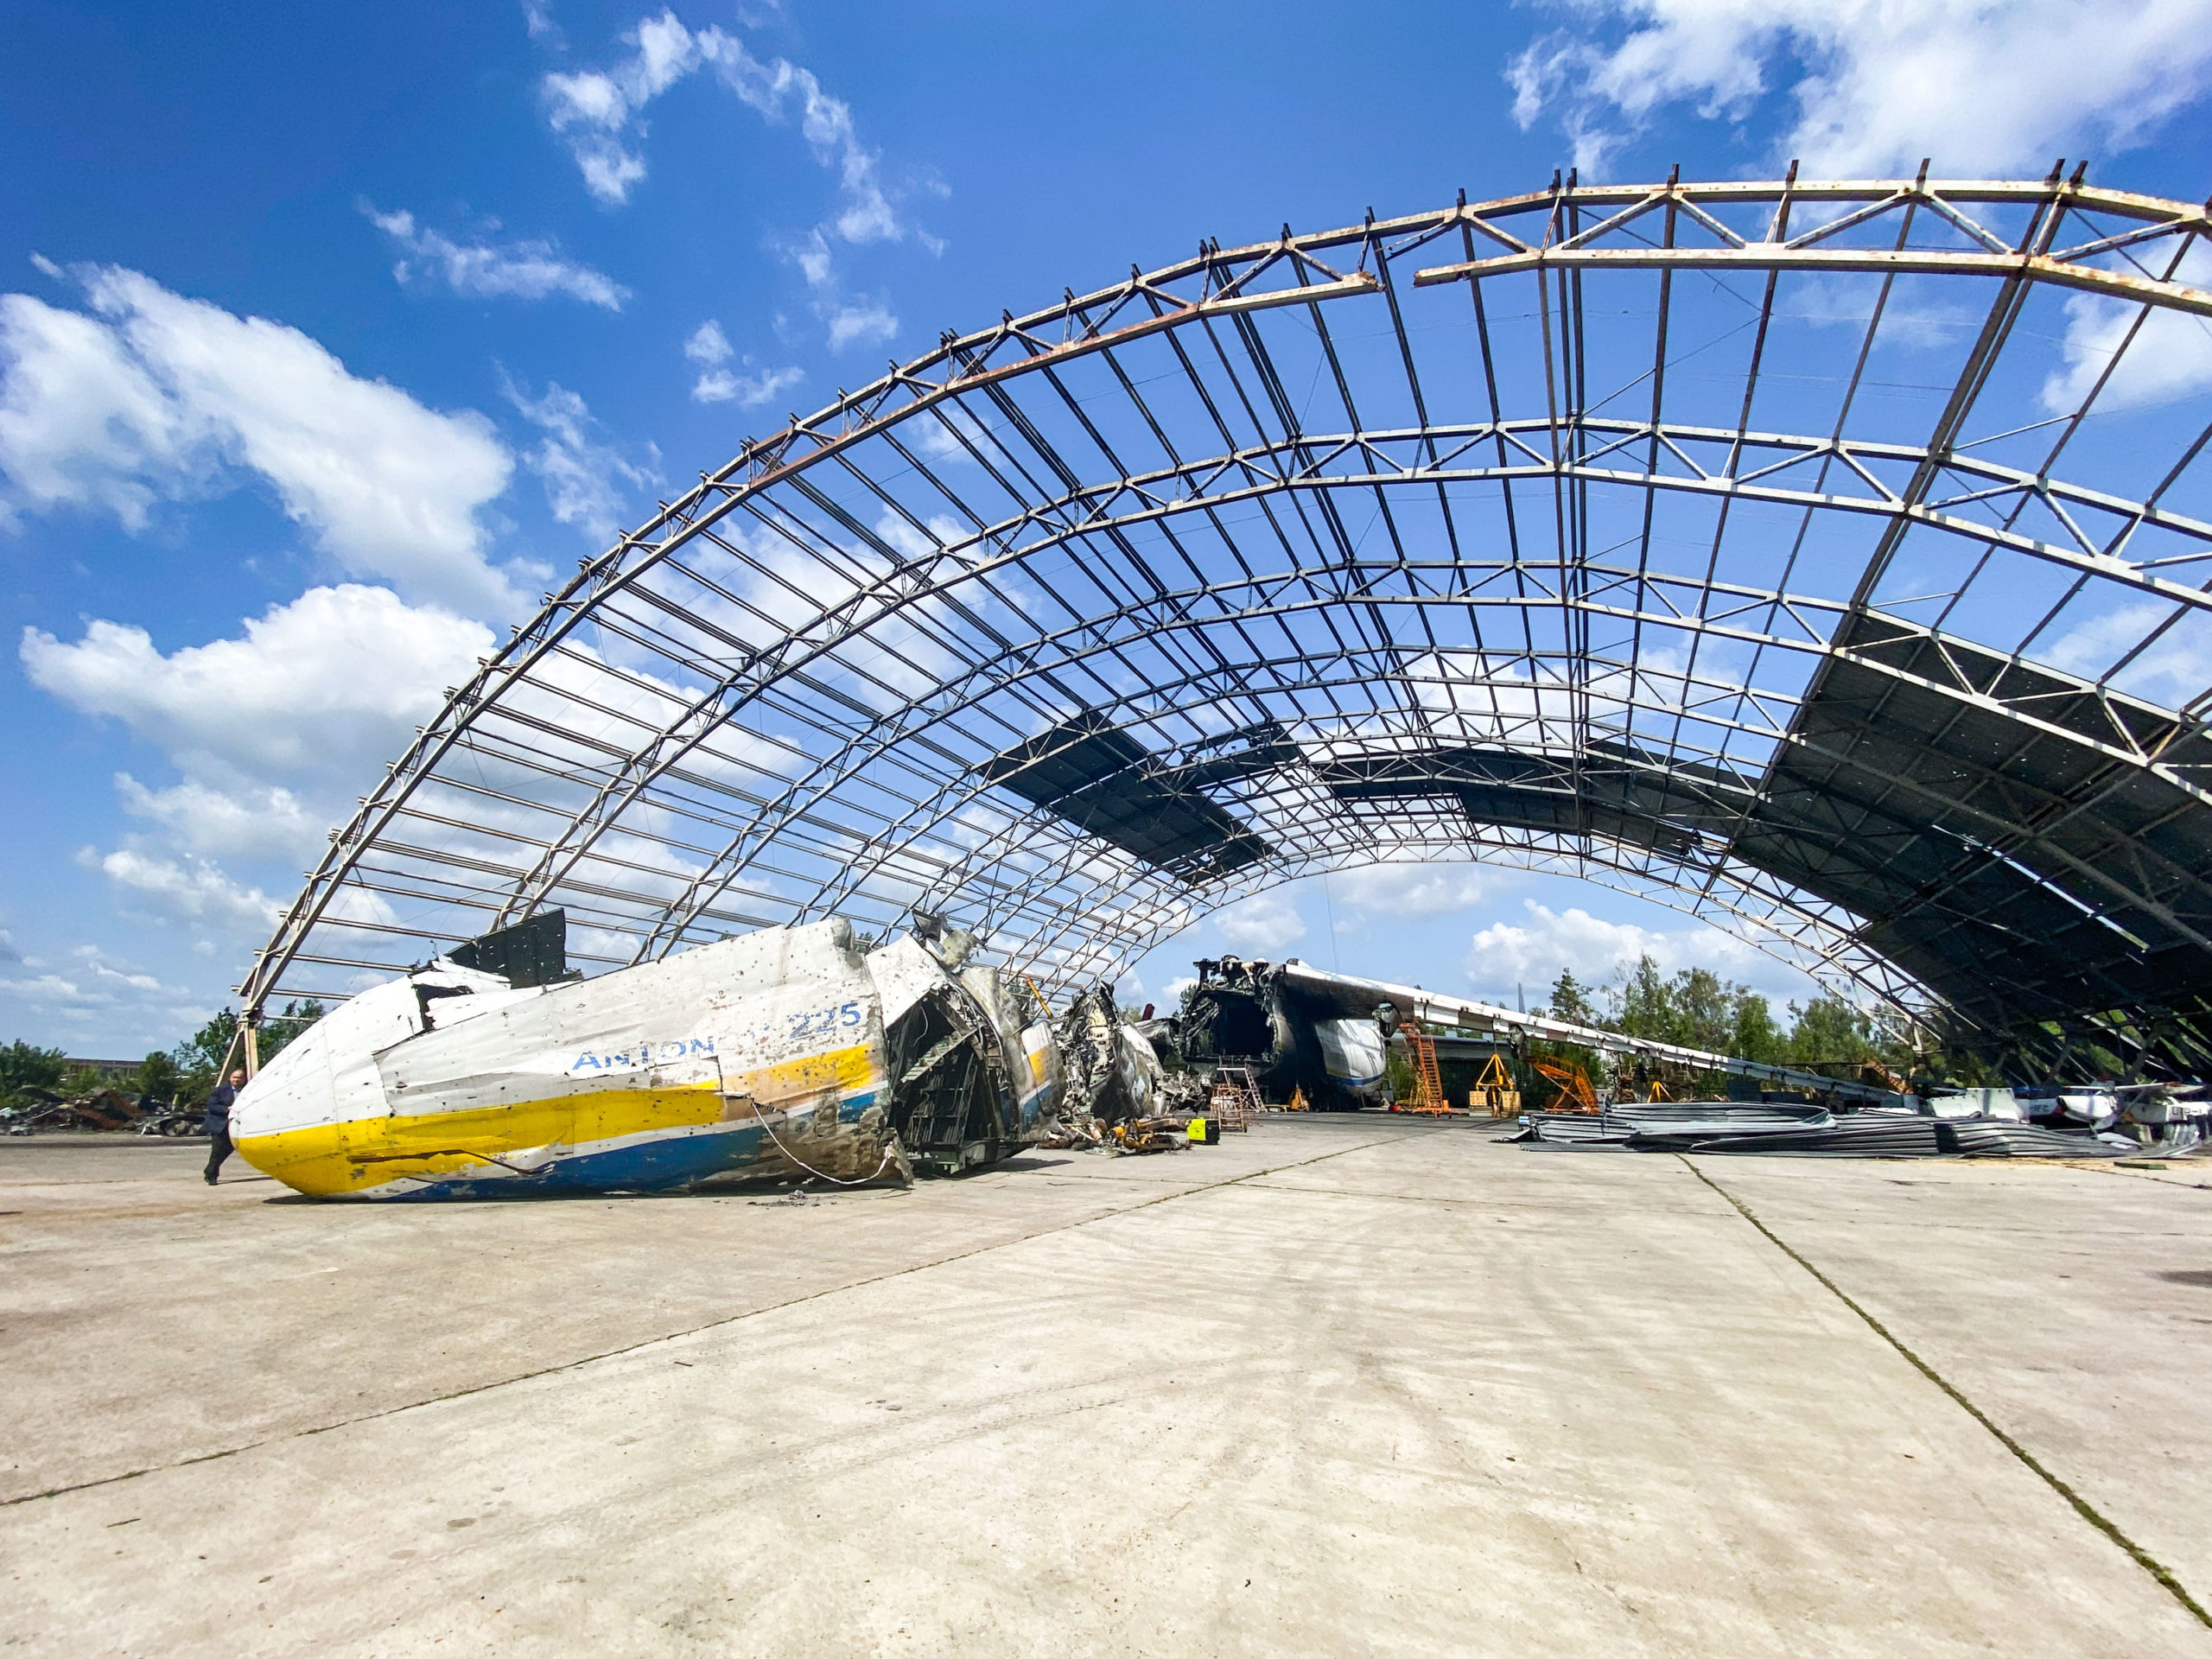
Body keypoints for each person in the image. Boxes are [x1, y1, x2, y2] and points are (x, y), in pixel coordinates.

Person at [204, 1067, 245, 1185]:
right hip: (220, 1125)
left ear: (244, 1080)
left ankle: (209, 1169)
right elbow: (212, 1106)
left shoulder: (247, 1091)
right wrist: (227, 1109)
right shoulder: (220, 1091)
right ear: (230, 1078)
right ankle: (212, 1176)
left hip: (237, 1126)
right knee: (217, 1151)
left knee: (229, 1148)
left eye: (240, 1078)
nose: (237, 1080)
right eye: (235, 1077)